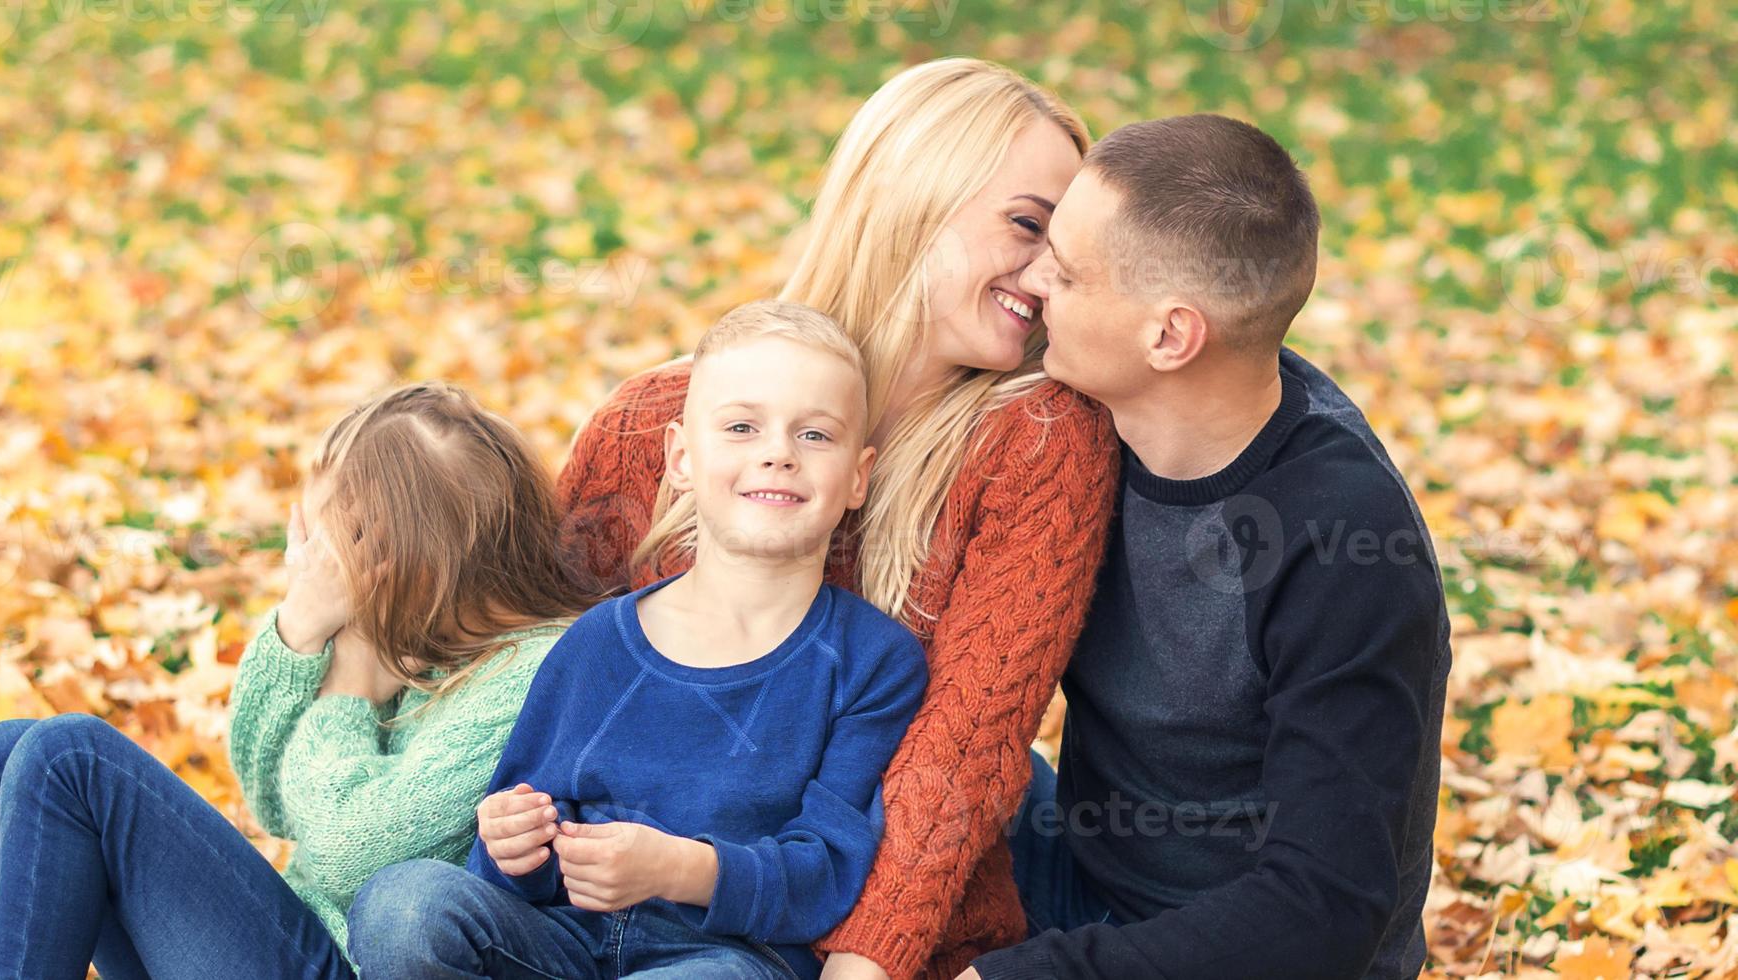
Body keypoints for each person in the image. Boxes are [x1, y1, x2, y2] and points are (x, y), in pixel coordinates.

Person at [553, 59, 1121, 980]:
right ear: (908, 194)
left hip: (841, 952)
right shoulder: (651, 426)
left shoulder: (1035, 444)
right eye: (1028, 225)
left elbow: (958, 762)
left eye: (1069, 253)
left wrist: (860, 969)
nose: (1050, 275)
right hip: (594, 929)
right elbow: (526, 683)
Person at [0, 382, 596, 980]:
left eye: (319, 548)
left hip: (340, 964)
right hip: (283, 943)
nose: (307, 564)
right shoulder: (420, 642)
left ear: (398, 560)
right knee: (6, 752)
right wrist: (299, 631)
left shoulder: (530, 674)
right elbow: (269, 797)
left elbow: (351, 847)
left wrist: (346, 689)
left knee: (69, 759)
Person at [966, 114, 1451, 979]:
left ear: (1170, 337)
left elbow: (1324, 907)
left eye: (1067, 273)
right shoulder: (1077, 422)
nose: (1034, 280)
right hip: (1081, 876)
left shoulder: (1341, 543)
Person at [347, 301, 929, 979]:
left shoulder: (870, 662)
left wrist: (679, 869)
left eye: (815, 436)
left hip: (726, 956)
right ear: (682, 457)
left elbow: (827, 873)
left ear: (858, 476)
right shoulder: (599, 643)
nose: (777, 453)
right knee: (402, 903)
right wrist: (512, 845)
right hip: (565, 944)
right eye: (742, 427)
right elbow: (518, 848)